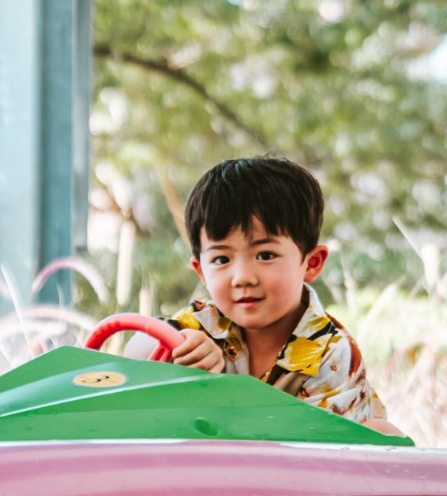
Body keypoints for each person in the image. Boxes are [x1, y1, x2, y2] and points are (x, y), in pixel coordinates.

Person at [153, 156, 402, 436]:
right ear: (201, 272)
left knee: (385, 433)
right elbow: (137, 349)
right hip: (221, 461)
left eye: (265, 255)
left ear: (311, 263)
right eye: (222, 259)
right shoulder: (204, 323)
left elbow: (314, 446)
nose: (242, 277)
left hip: (314, 464)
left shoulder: (329, 351)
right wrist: (180, 344)